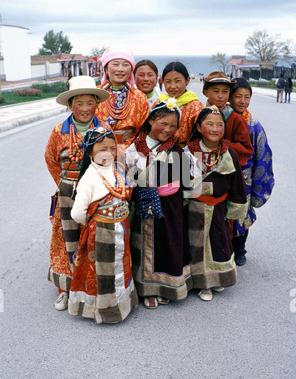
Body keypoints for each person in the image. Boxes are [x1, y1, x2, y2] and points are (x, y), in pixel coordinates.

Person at [45, 76, 109, 311]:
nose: (84, 108)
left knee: (91, 238)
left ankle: (93, 286)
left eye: (89, 103)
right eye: (79, 103)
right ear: (70, 105)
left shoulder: (104, 130)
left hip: (96, 193)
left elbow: (111, 161)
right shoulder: (58, 131)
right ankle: (65, 288)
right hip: (67, 192)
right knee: (65, 239)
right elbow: (51, 159)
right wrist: (64, 184)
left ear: (96, 104)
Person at [125, 100, 192, 308]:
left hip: (171, 206)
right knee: (144, 245)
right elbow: (129, 177)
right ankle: (148, 290)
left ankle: (169, 286)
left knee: (169, 243)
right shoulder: (135, 148)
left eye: (173, 126)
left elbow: (187, 182)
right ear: (151, 119)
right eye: (163, 123)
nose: (168, 129)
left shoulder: (177, 151)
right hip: (143, 203)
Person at [69, 125, 138, 324]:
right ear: (89, 151)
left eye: (111, 148)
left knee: (123, 266)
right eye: (102, 149)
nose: (108, 153)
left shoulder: (118, 169)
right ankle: (106, 311)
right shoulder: (88, 178)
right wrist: (96, 224)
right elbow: (77, 213)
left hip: (121, 229)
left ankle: (124, 304)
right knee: (104, 272)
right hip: (101, 232)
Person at [184, 106, 248, 301]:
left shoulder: (230, 154)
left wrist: (235, 209)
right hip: (194, 208)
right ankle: (203, 284)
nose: (214, 129)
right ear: (199, 126)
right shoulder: (188, 152)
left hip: (218, 207)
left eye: (220, 125)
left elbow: (237, 184)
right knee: (196, 244)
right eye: (209, 124)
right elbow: (180, 182)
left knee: (219, 242)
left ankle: (218, 279)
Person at [229, 78, 275, 266]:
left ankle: (240, 249)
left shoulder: (254, 125)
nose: (242, 100)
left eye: (247, 97)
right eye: (238, 96)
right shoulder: (220, 119)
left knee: (242, 213)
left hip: (245, 178)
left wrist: (258, 184)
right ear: (230, 97)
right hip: (223, 176)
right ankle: (224, 249)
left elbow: (262, 154)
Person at [190, 71, 253, 166]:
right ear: (205, 92)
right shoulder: (200, 115)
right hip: (203, 168)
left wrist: (221, 145)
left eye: (225, 92)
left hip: (227, 170)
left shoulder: (236, 119)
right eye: (216, 91)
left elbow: (246, 149)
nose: (220, 96)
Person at [95, 47, 150, 147]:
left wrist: (127, 149)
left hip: (130, 151)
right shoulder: (95, 94)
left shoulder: (139, 97)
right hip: (99, 150)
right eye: (115, 64)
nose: (120, 69)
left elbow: (144, 131)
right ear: (106, 68)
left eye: (125, 65)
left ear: (131, 69)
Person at [155, 61, 204, 147]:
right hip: (159, 150)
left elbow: (200, 136)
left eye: (177, 81)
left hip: (186, 152)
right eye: (168, 81)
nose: (173, 86)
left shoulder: (195, 106)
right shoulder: (159, 103)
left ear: (187, 80)